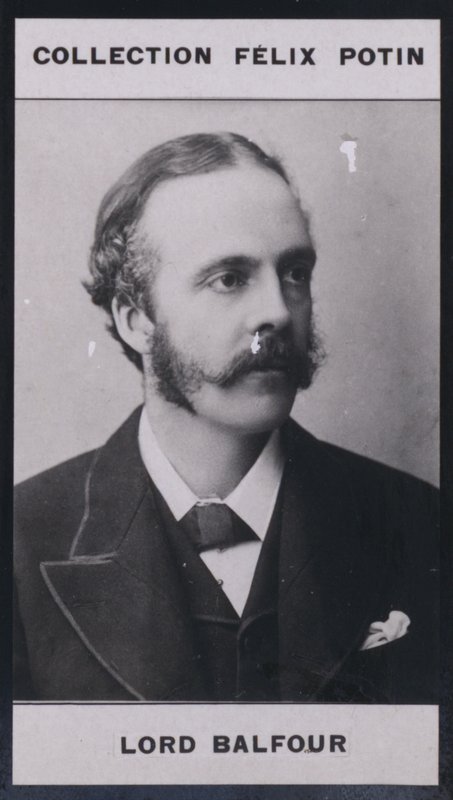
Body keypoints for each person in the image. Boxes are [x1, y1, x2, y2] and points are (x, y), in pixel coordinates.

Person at [14, 132, 439, 703]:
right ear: (137, 319)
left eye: (295, 273)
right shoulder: (20, 542)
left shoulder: (420, 524)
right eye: (229, 279)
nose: (278, 312)